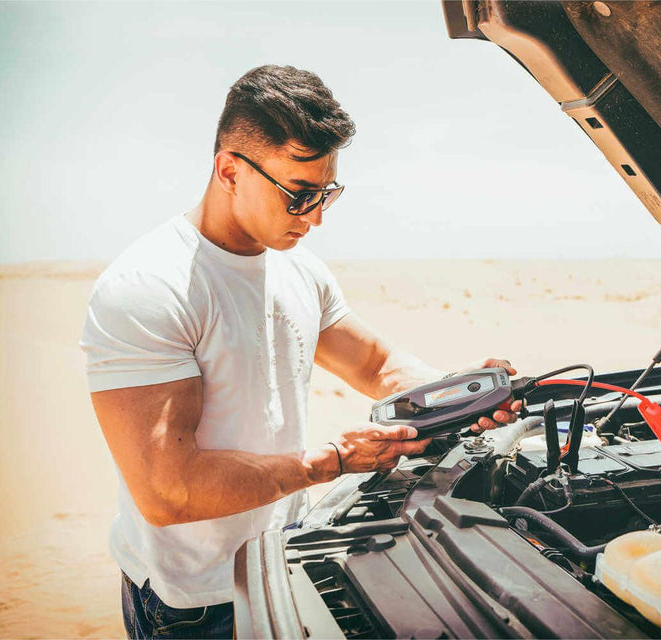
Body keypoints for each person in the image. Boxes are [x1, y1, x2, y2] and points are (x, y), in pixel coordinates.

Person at [80, 64, 521, 640]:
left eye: (327, 194)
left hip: (287, 564)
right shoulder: (148, 287)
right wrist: (333, 462)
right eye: (299, 194)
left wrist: (460, 394)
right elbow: (169, 490)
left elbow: (376, 365)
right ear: (229, 170)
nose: (314, 217)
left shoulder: (298, 267)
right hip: (193, 605)